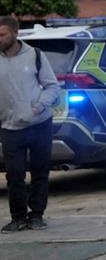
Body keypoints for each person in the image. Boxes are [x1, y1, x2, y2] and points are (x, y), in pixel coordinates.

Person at [0, 14, 58, 232]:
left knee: (40, 171)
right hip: (9, 126)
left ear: (15, 33)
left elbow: (52, 87)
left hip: (39, 124)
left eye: (2, 34)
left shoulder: (35, 55)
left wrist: (38, 106)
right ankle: (17, 217)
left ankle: (36, 214)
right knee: (14, 174)